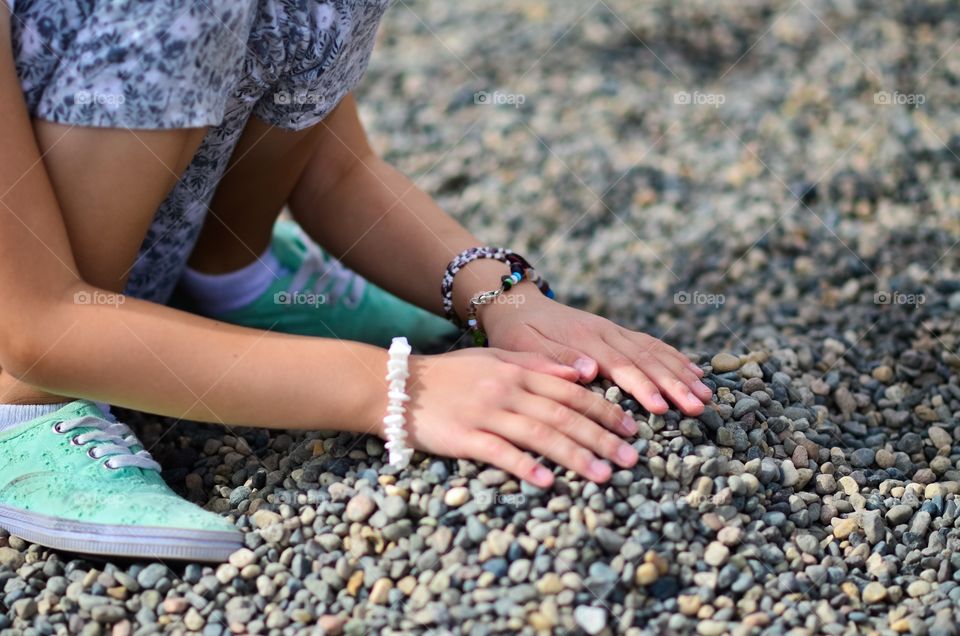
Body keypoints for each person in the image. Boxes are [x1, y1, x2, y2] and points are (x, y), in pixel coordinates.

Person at [0, 0, 712, 561]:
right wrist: (397, 388)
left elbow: (337, 170)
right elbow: (35, 325)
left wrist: (504, 297)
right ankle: (24, 412)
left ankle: (227, 277)